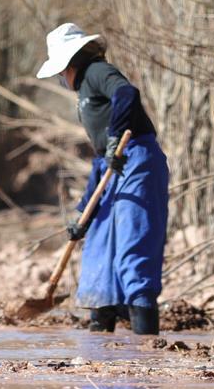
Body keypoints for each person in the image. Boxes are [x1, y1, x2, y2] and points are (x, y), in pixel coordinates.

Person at [36, 23, 168, 335]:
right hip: (113, 164)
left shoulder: (95, 71)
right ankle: (102, 340)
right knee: (98, 249)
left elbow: (126, 93)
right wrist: (84, 213)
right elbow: (101, 160)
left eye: (59, 71)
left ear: (70, 64)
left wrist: (113, 140)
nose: (60, 78)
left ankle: (146, 344)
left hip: (137, 159)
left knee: (133, 244)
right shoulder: (84, 91)